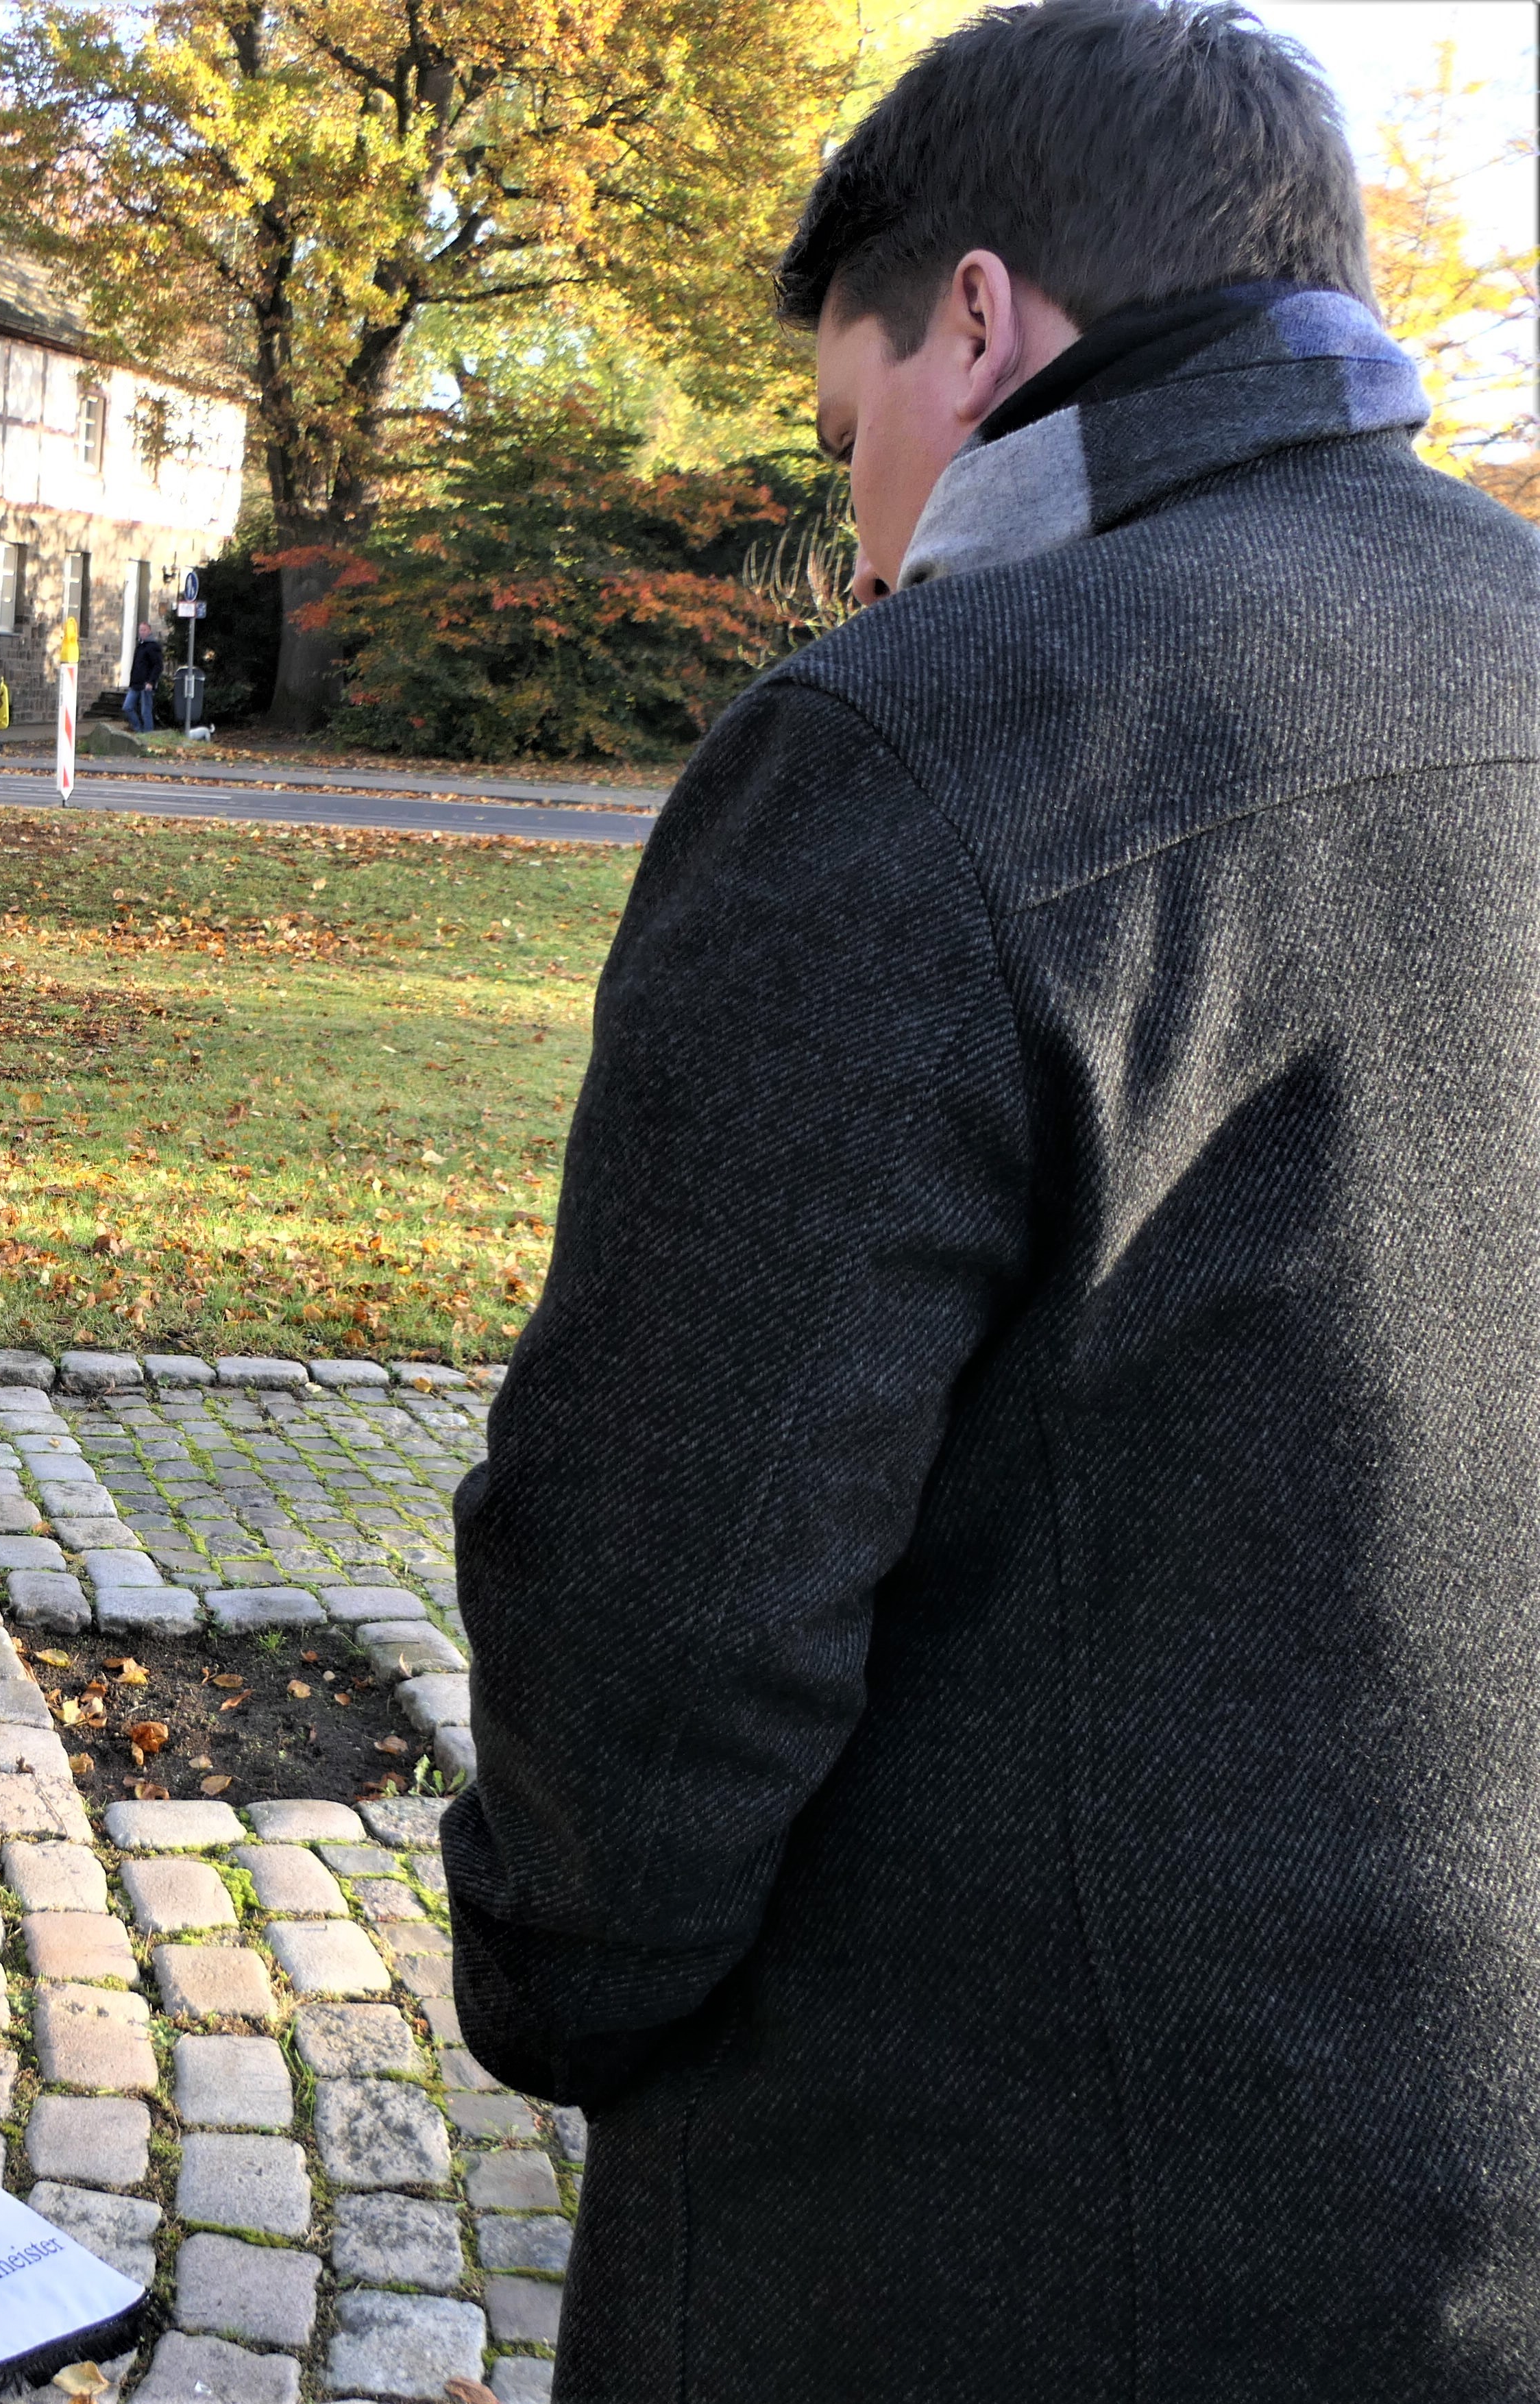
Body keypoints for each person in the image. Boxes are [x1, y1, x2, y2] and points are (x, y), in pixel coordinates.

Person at [437, 3, 1540, 2398]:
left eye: (853, 438)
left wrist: (555, 1975)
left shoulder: (925, 734)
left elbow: (670, 1572)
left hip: (992, 2220)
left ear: (972, 317)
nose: (862, 526)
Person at [124, 621, 164, 731]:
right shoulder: (140, 646)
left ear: (149, 631)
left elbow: (158, 666)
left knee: (146, 712)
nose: (142, 632)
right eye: (141, 630)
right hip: (136, 683)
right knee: (127, 707)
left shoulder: (153, 646)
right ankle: (140, 732)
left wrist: (151, 682)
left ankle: (148, 737)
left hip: (147, 684)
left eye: (144, 630)